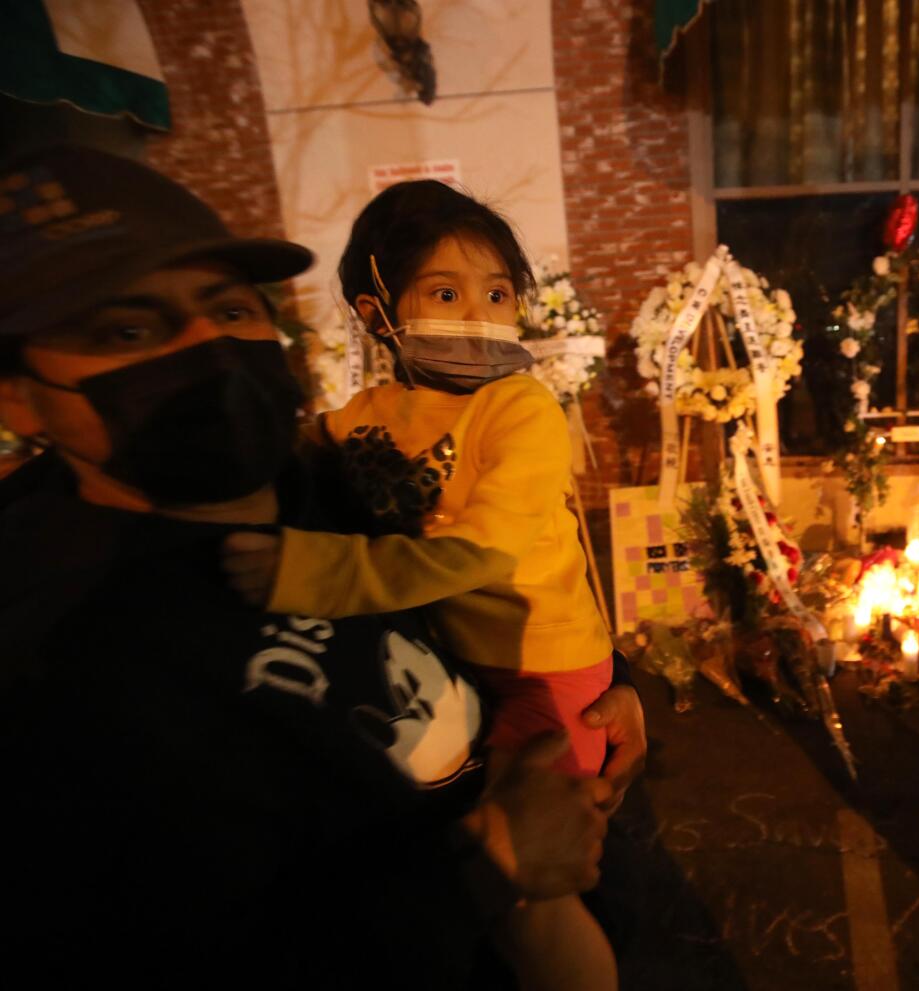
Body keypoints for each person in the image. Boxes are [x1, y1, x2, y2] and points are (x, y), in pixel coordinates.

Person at [0, 145, 642, 987]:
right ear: (16, 392)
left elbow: (475, 548)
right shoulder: (51, 653)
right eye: (129, 329)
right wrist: (488, 866)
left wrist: (606, 678)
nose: (208, 350)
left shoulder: (309, 480)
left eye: (230, 308)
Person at [218, 180, 621, 990]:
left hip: (548, 668)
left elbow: (482, 551)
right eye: (445, 291)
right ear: (377, 312)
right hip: (462, 663)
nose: (478, 316)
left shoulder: (518, 409)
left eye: (498, 293)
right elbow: (298, 457)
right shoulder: (370, 412)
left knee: (531, 887)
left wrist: (307, 572)